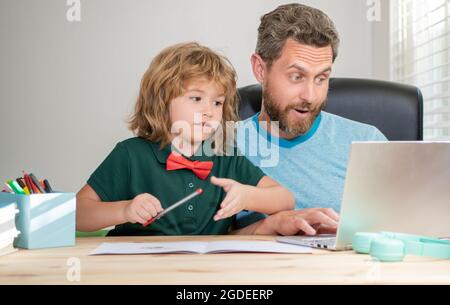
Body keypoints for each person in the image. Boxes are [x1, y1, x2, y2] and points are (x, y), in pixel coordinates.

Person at [75, 42, 295, 235]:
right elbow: (77, 213)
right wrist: (124, 210)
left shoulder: (226, 156)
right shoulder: (130, 155)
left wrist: (248, 196)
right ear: (162, 100)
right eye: (196, 98)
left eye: (217, 103)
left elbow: (285, 199)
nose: (209, 111)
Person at [234, 3, 387, 233]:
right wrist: (270, 225)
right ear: (260, 69)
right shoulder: (222, 143)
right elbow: (197, 242)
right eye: (296, 76)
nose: (310, 96)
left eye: (321, 78)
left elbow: (408, 227)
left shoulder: (367, 142)